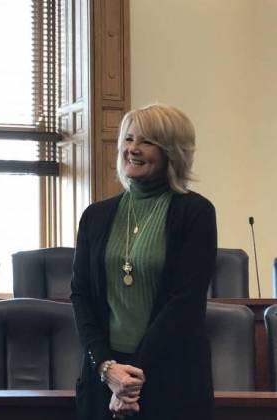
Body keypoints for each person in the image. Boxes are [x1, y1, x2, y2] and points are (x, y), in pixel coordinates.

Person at [70, 103, 216, 419]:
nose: (132, 149)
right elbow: (81, 295)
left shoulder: (196, 213)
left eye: (147, 142)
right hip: (103, 379)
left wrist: (129, 382)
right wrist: (108, 369)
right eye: (128, 139)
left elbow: (185, 303)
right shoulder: (95, 216)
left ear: (171, 152)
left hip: (172, 377)